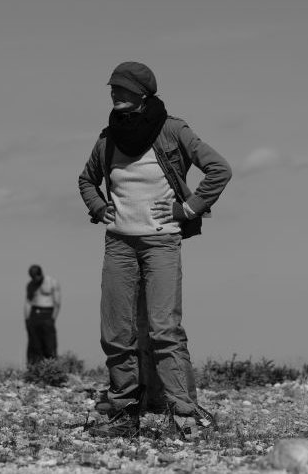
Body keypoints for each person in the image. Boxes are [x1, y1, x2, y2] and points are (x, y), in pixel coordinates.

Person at [79, 61, 232, 439]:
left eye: (124, 88)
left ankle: (183, 415)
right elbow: (86, 180)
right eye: (113, 87)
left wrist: (189, 209)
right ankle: (123, 413)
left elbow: (219, 169)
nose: (115, 93)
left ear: (144, 93)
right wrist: (100, 209)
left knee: (164, 329)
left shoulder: (171, 129)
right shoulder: (108, 136)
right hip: (118, 243)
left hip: (161, 241)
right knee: (116, 332)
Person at [24, 264, 61, 365]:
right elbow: (28, 302)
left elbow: (57, 302)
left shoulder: (52, 282)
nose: (35, 279)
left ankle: (52, 369)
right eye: (32, 277)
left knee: (50, 346)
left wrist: (52, 319)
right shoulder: (30, 285)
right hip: (34, 315)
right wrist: (27, 320)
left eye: (36, 277)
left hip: (47, 315)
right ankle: (34, 371)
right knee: (34, 346)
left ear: (40, 274)